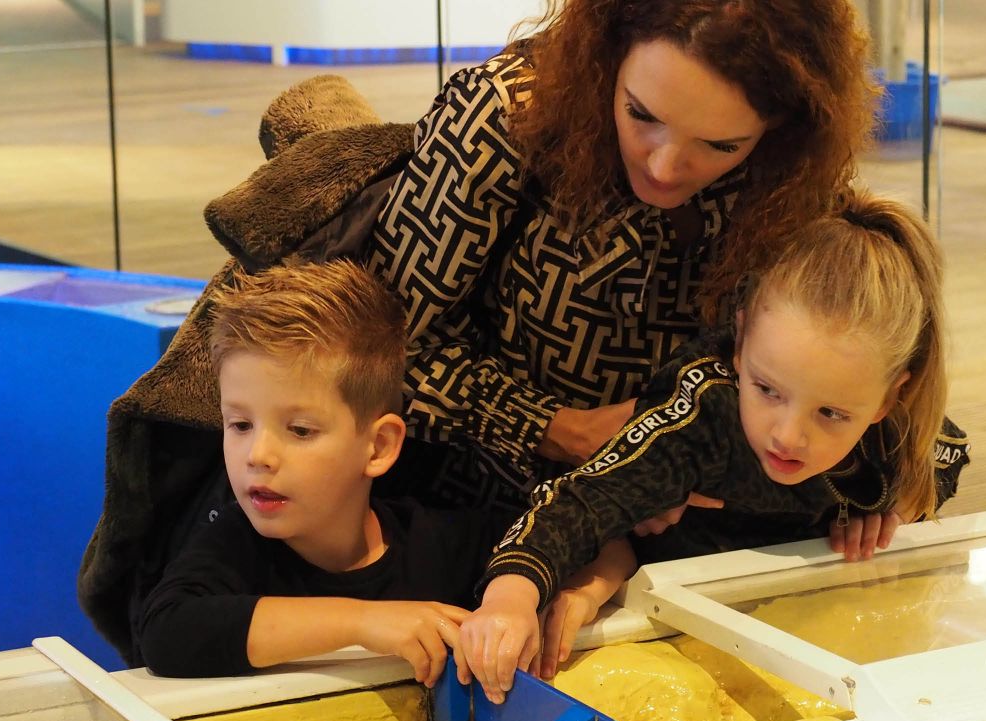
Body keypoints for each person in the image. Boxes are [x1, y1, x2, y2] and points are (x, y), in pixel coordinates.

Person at [362, 0, 884, 514]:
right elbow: (382, 349)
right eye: (641, 115)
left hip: (691, 512)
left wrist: (869, 490)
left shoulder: (794, 169)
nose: (664, 167)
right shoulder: (506, 117)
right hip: (479, 505)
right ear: (609, 52)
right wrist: (554, 428)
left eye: (721, 145)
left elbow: (849, 353)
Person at [456, 190, 966, 702]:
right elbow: (583, 501)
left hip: (805, 616)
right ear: (740, 344)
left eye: (831, 414)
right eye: (768, 390)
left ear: (890, 396)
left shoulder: (901, 424)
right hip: (674, 604)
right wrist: (511, 595)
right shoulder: (704, 410)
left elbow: (947, 457)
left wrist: (898, 509)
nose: (788, 435)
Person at [135, 259, 507, 683]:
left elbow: (556, 544)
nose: (258, 455)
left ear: (379, 446)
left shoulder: (443, 545)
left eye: (299, 430)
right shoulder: (233, 546)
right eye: (240, 425)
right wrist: (362, 623)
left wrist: (521, 598)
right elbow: (167, 633)